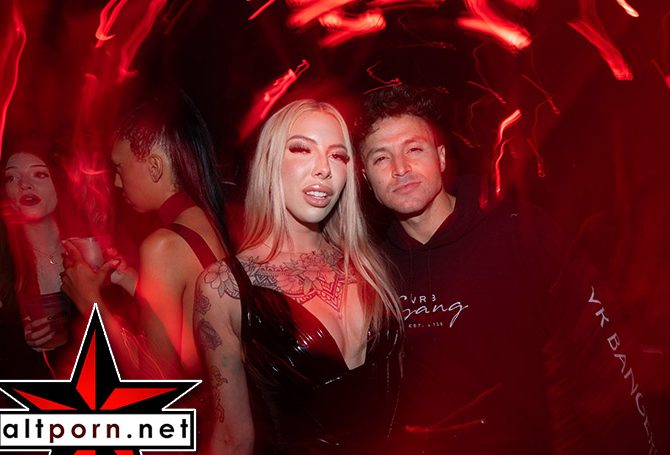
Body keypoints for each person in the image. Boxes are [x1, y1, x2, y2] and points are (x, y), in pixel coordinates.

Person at [356, 85, 656, 454]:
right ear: (366, 178)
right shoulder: (370, 270)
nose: (401, 169)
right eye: (381, 158)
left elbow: (603, 362)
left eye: (414, 149)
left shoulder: (522, 233)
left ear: (442, 158)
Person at [194, 99, 403, 454]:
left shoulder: (370, 266)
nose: (324, 169)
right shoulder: (224, 288)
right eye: (302, 149)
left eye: (338, 155)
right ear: (269, 161)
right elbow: (232, 438)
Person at [61, 92, 232, 380]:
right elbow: (195, 325)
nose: (117, 182)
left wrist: (89, 300)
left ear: (154, 167)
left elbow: (157, 380)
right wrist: (136, 284)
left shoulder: (163, 245)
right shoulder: (208, 219)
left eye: (119, 167)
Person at [1, 140, 84, 378]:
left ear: (59, 184)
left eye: (39, 174)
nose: (24, 184)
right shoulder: (4, 264)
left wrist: (70, 330)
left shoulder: (86, 252)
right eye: (12, 178)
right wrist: (15, 338)